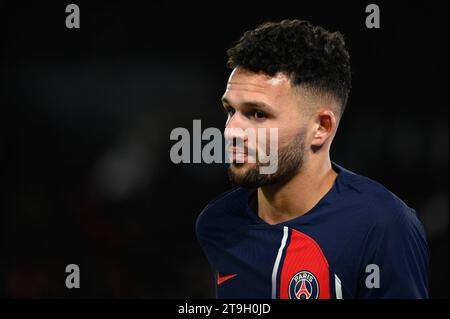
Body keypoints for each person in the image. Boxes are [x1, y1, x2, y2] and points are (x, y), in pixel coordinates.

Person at [196, 19, 429, 299]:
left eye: (258, 114)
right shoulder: (217, 224)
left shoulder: (382, 226)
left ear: (321, 128)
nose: (231, 130)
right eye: (230, 110)